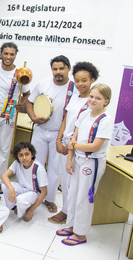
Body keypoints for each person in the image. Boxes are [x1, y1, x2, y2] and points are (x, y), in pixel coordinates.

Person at [57, 83, 113, 246]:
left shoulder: (105, 120)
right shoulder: (84, 114)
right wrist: (69, 159)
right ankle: (72, 225)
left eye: (98, 98)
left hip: (92, 162)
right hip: (77, 159)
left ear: (106, 101)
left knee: (84, 197)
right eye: (91, 96)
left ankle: (80, 234)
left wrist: (72, 146)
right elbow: (74, 136)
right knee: (73, 193)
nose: (93, 100)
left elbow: (95, 146)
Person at [26, 55, 78, 213]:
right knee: (34, 165)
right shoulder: (43, 84)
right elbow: (29, 101)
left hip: (59, 135)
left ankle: (49, 199)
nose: (58, 72)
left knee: (55, 169)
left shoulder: (74, 88)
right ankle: (32, 196)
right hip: (40, 131)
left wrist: (62, 137)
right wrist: (33, 117)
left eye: (61, 68)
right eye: (55, 69)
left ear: (68, 68)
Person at [49, 62, 98, 224]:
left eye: (84, 80)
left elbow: (84, 128)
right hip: (65, 144)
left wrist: (71, 145)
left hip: (78, 148)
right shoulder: (74, 97)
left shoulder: (92, 102)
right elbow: (66, 119)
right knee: (66, 181)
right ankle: (67, 210)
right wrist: (58, 139)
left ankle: (68, 213)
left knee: (73, 184)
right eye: (77, 80)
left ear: (92, 80)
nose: (80, 84)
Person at [0, 42, 30, 187]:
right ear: (1, 54)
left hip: (8, 117)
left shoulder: (20, 73)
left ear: (15, 55)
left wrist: (22, 103)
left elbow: (27, 93)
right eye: (6, 53)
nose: (8, 57)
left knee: (4, 150)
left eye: (12, 54)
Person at [1, 142, 48, 221]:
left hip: (34, 192)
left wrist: (30, 211)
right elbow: (4, 176)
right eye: (21, 155)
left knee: (20, 200)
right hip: (22, 188)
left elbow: (44, 192)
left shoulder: (38, 168)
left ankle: (25, 207)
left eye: (27, 154)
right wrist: (11, 188)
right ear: (17, 156)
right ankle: (13, 207)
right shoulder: (17, 163)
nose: (24, 158)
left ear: (32, 154)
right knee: (5, 186)